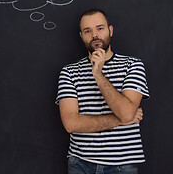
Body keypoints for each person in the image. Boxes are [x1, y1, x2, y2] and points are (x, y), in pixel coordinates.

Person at [56, 9, 150, 174]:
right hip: (80, 164)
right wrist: (120, 120)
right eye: (88, 31)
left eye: (100, 28)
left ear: (110, 30)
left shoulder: (133, 65)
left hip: (122, 166)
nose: (94, 35)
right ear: (81, 36)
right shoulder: (69, 72)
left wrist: (98, 75)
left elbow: (126, 112)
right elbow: (71, 124)